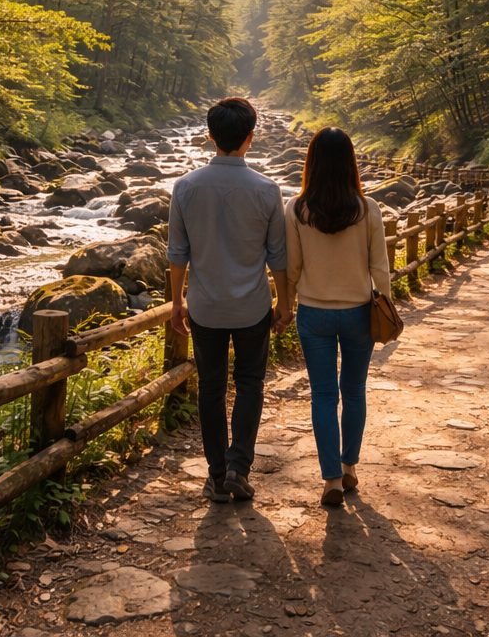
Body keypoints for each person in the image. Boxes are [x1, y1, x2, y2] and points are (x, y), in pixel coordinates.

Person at [167, 97, 293, 503]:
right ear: (250, 138)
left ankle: (218, 475)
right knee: (250, 383)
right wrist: (285, 303)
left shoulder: (185, 187)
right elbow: (277, 256)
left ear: (210, 136)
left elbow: (177, 254)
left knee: (210, 387)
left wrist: (177, 303)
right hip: (252, 306)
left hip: (205, 306)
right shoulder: (267, 190)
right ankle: (239, 466)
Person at [283, 127, 390, 506]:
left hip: (314, 313)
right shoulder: (367, 208)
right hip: (359, 312)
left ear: (311, 162)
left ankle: (330, 479)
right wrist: (387, 306)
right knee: (354, 390)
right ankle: (349, 467)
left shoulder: (296, 209)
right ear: (350, 162)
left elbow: (292, 268)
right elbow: (380, 267)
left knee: (324, 395)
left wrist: (285, 303)